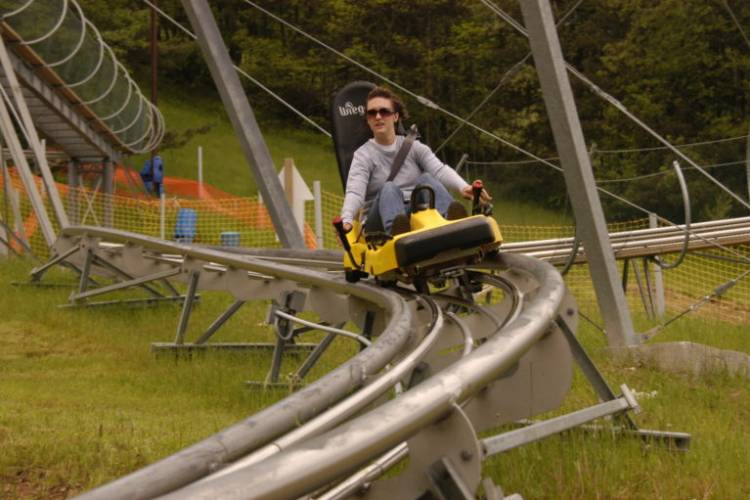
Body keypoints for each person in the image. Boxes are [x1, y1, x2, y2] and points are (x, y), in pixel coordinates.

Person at [340, 86, 490, 236]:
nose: (378, 116)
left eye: (384, 111)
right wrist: (346, 219)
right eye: (372, 113)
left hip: (414, 211)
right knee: (389, 188)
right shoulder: (363, 156)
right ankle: (396, 232)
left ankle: (453, 223)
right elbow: (355, 192)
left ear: (395, 117)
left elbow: (440, 170)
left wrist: (463, 187)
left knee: (427, 179)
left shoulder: (413, 147)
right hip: (378, 222)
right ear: (368, 119)